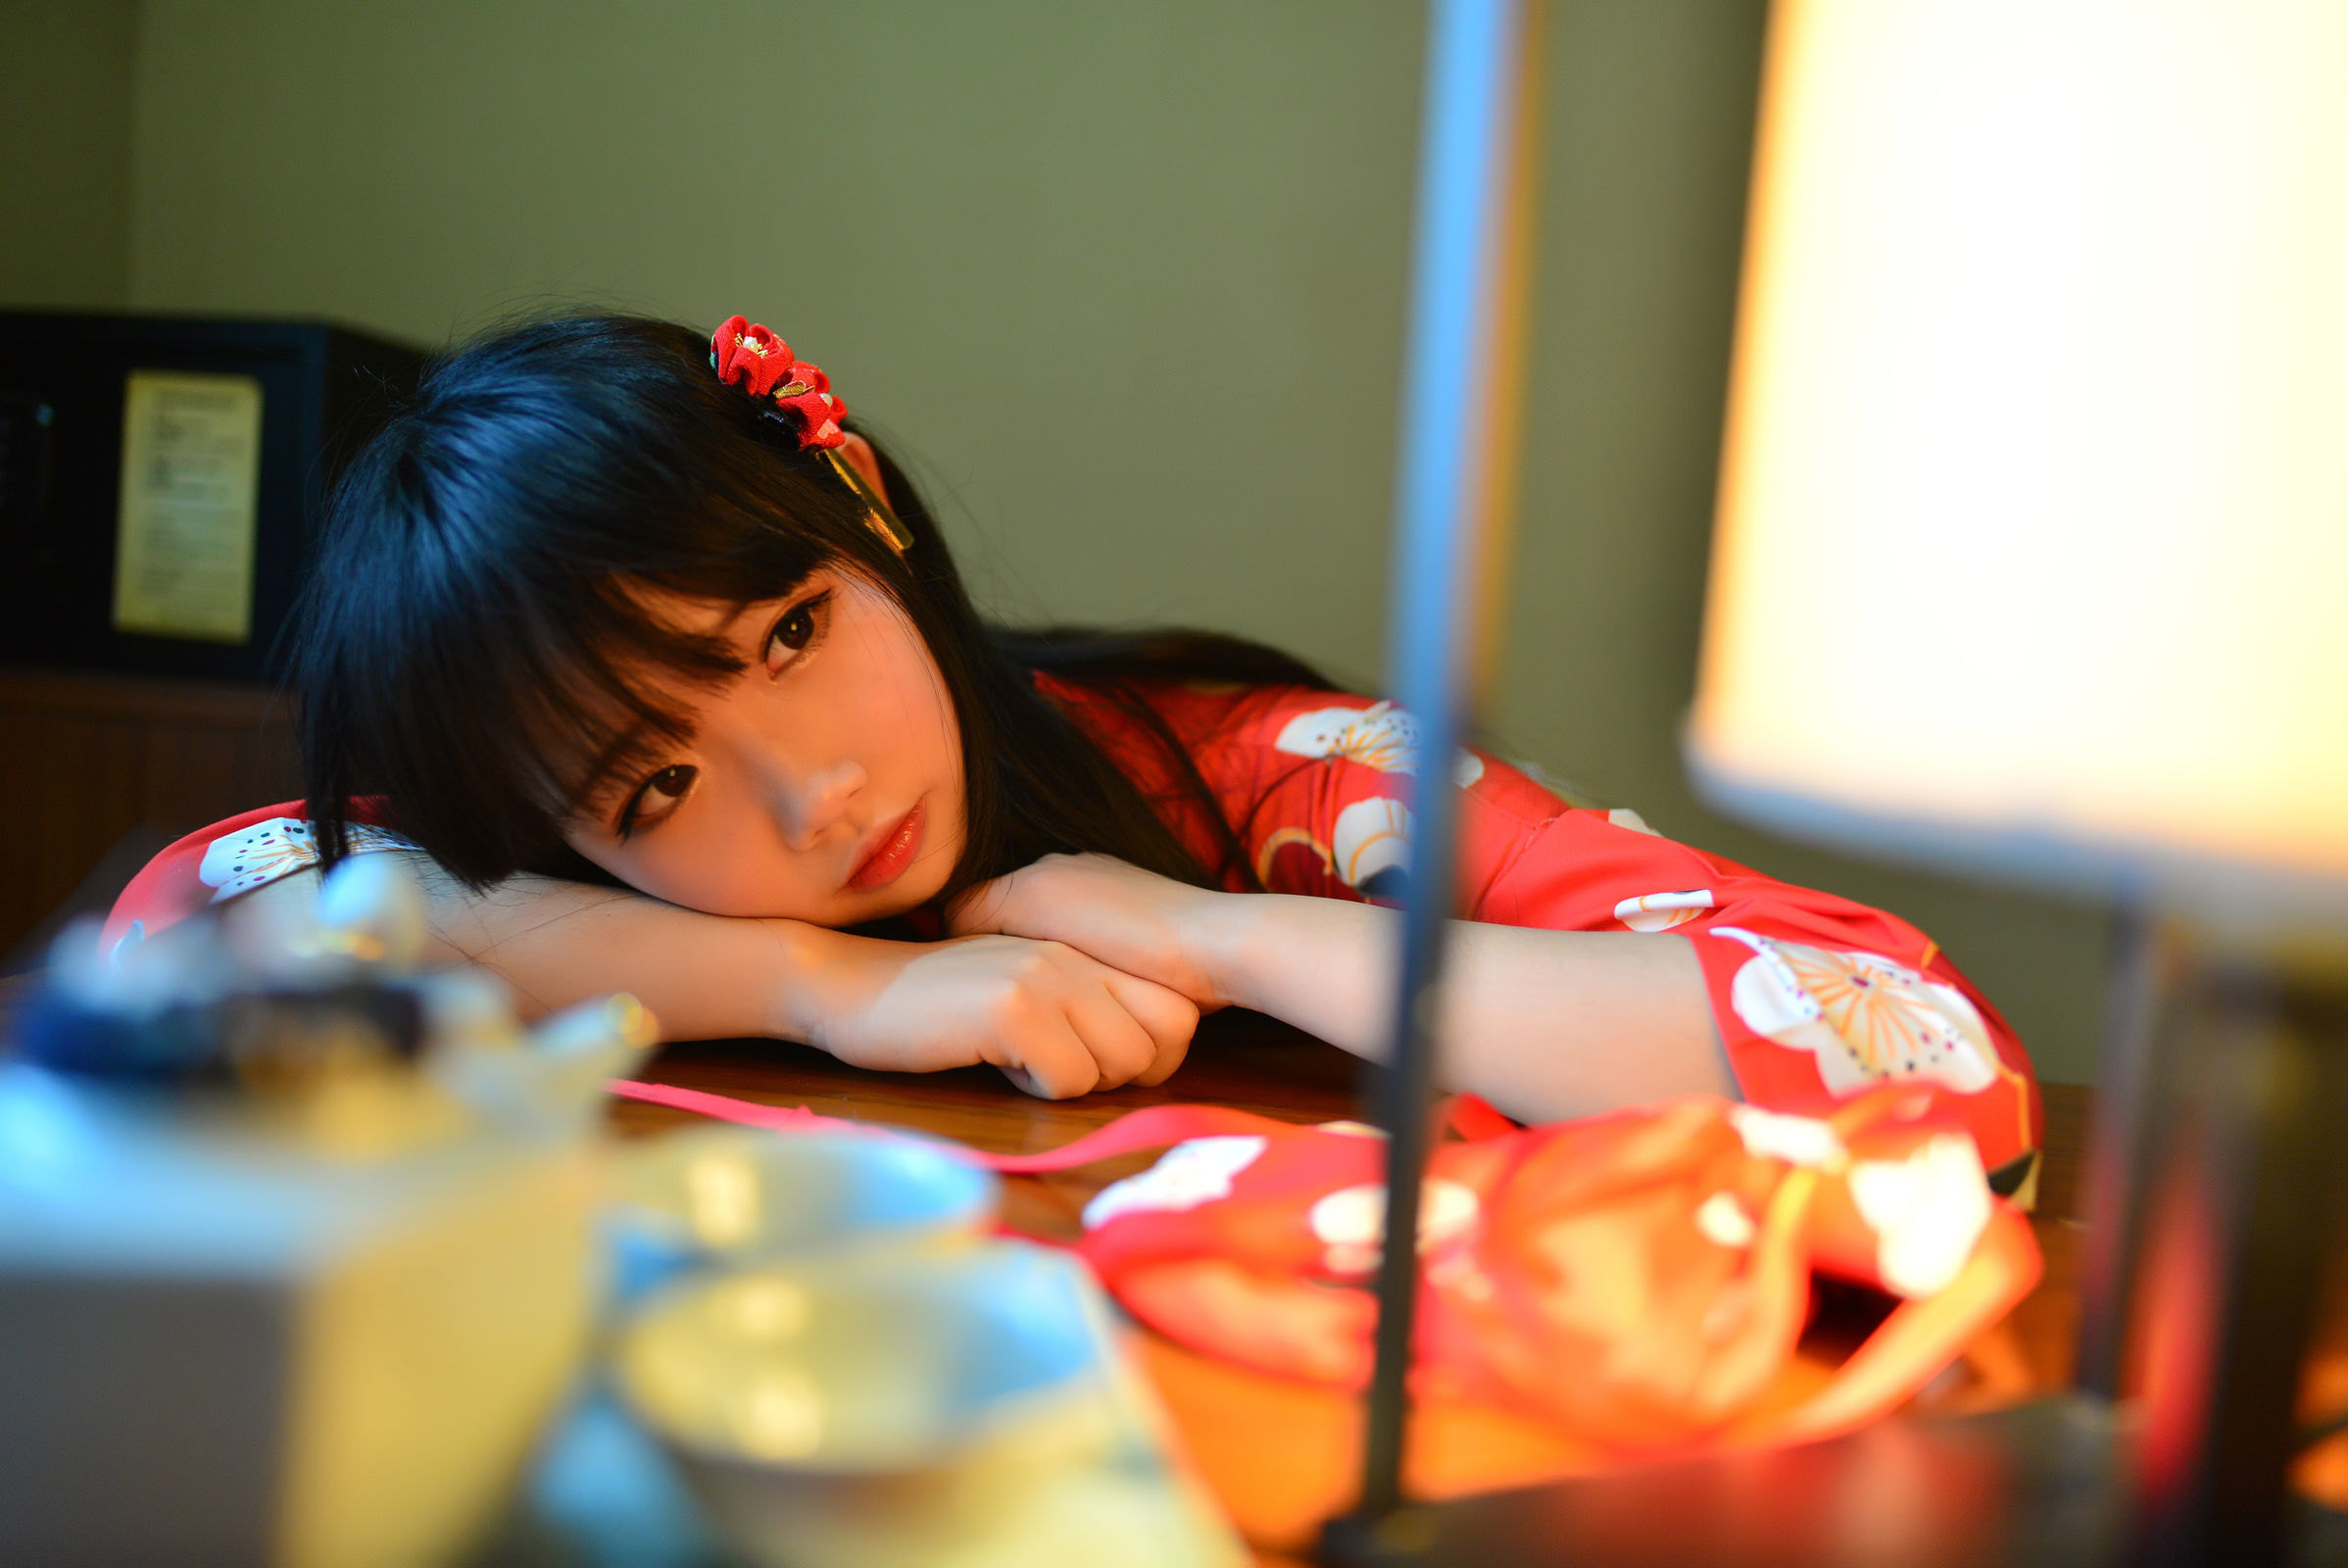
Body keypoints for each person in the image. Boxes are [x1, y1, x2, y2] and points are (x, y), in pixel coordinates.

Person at [102, 313, 2043, 1193]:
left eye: (792, 634)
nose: (815, 791)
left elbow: (1919, 1055)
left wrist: (1217, 934)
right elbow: (193, 922)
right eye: (652, 784)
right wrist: (829, 985)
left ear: (867, 514)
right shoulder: (572, 898)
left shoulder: (1268, 776)